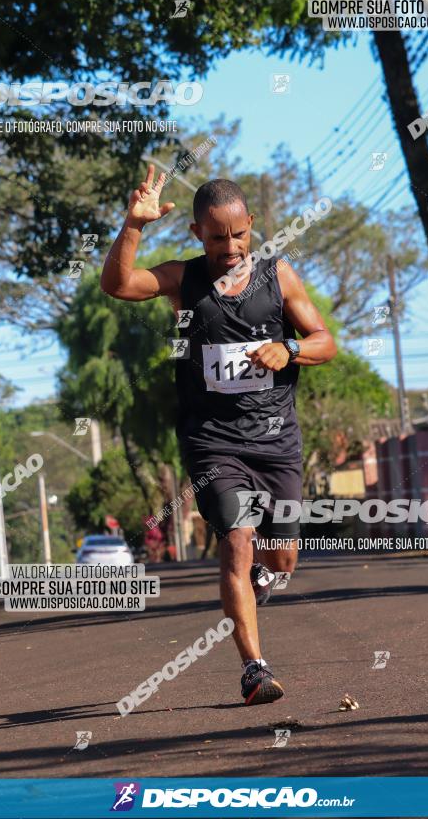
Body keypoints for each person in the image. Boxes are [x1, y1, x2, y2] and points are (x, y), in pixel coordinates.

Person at [101, 166, 337, 705]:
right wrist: (133, 226)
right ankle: (254, 669)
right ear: (195, 234)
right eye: (215, 237)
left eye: (238, 235)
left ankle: (249, 592)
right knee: (236, 541)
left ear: (251, 225)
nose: (229, 247)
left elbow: (325, 340)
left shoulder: (278, 276)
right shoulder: (183, 280)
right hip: (213, 440)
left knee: (280, 561)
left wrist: (291, 349)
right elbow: (117, 285)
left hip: (276, 439)